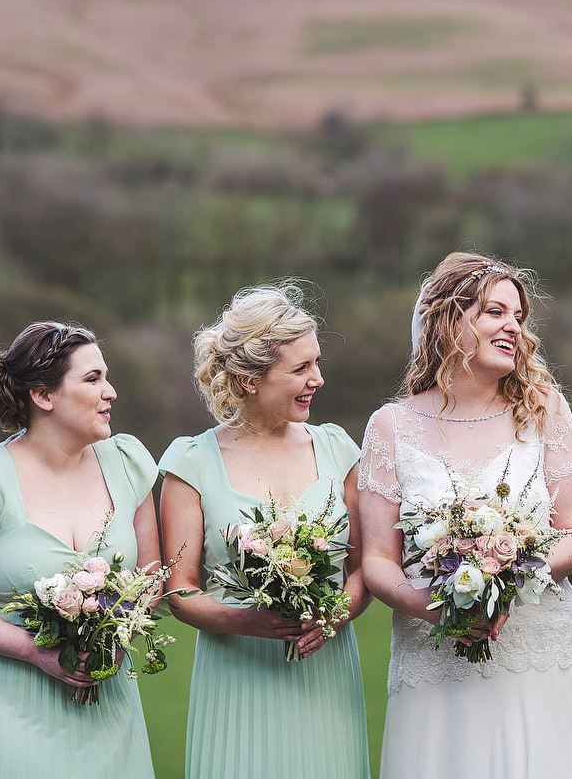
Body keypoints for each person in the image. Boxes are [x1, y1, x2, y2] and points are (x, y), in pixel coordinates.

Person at [359, 252, 572, 779]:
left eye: (518, 317)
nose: (513, 327)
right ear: (450, 320)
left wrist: (504, 582)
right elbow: (379, 557)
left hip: (536, 647)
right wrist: (426, 605)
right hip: (434, 655)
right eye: (495, 312)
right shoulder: (391, 426)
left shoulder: (545, 409)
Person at [0, 322, 159, 778]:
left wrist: (114, 633)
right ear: (43, 396)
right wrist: (34, 651)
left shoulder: (128, 463)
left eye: (106, 376)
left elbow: (150, 575)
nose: (110, 392)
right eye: (92, 379)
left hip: (104, 706)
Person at [158, 284, 372, 779]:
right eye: (300, 369)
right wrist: (250, 622)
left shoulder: (339, 448)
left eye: (316, 363)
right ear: (248, 380)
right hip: (237, 680)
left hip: (327, 678)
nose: (318, 379)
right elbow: (180, 590)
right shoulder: (190, 462)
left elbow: (363, 567)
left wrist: (335, 615)